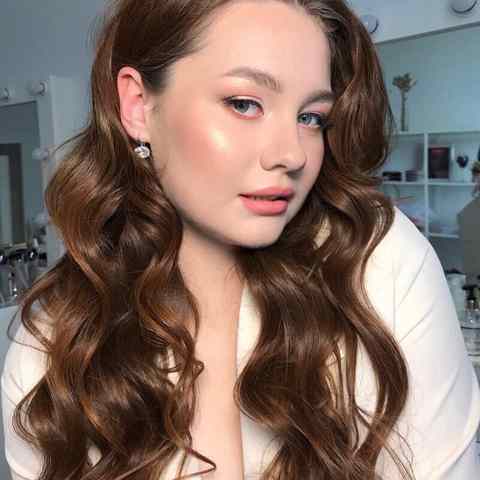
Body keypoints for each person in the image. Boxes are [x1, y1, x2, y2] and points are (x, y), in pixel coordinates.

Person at [1, 0, 479, 478]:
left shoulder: (378, 259)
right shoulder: (53, 342)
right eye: (244, 104)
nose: (292, 154)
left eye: (312, 117)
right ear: (138, 106)